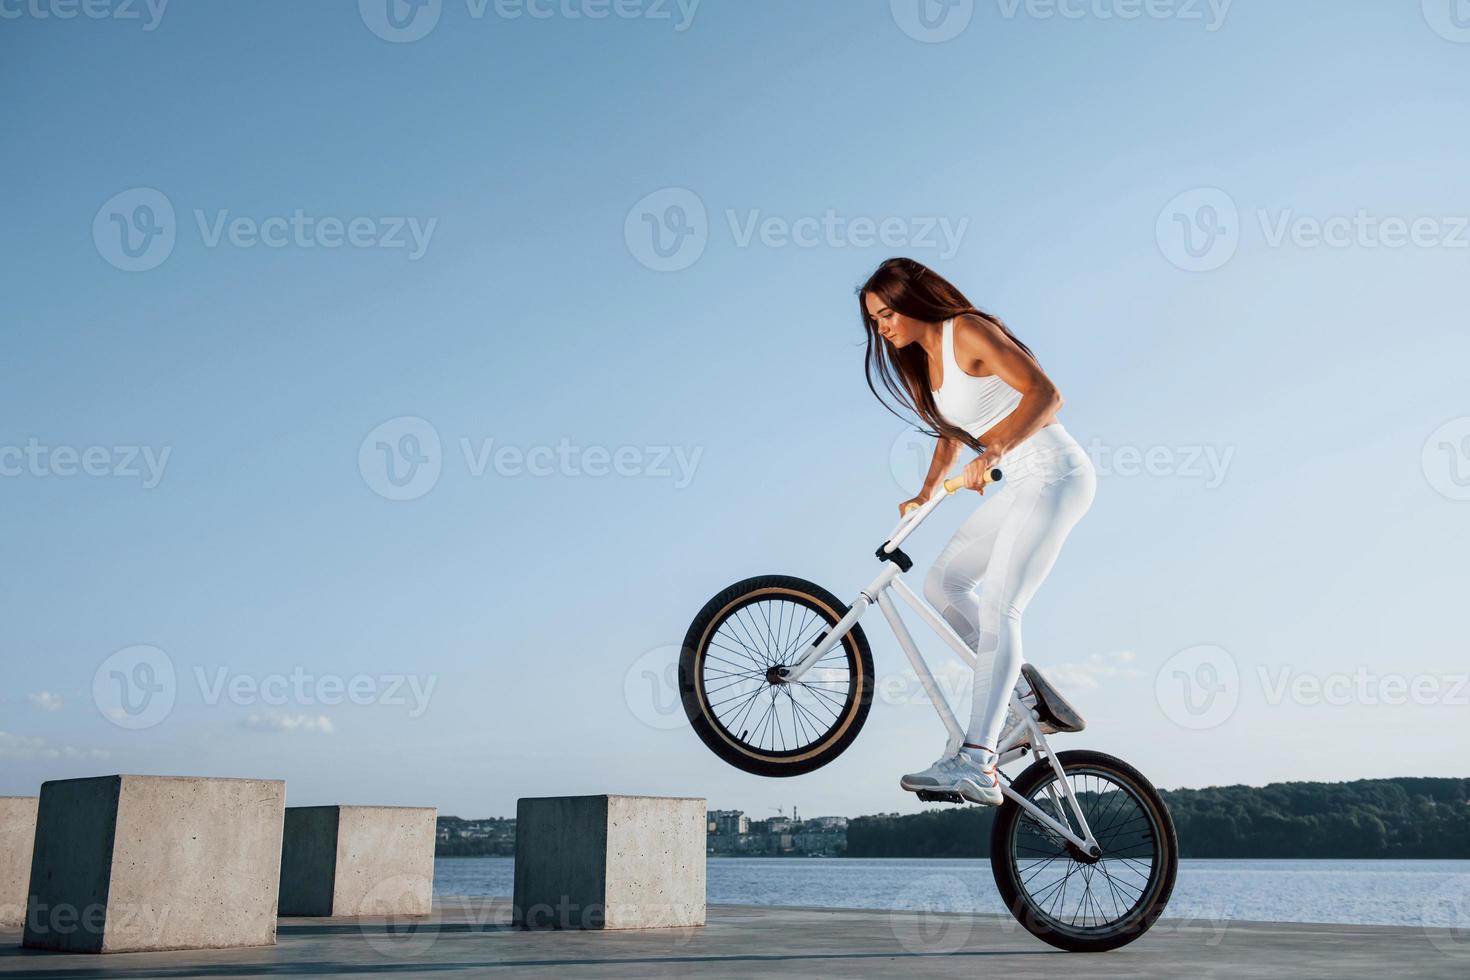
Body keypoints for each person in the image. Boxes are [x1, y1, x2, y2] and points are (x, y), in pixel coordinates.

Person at [859, 257, 1097, 805]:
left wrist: (993, 451)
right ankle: (1022, 698)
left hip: (1055, 472)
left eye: (888, 313)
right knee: (943, 585)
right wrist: (924, 492)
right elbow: (951, 435)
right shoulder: (926, 361)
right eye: (874, 320)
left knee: (1000, 608)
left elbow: (1045, 393)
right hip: (1019, 482)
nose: (883, 327)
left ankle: (979, 761)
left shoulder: (966, 329)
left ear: (915, 302)